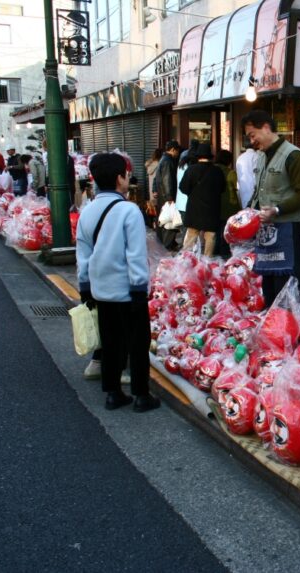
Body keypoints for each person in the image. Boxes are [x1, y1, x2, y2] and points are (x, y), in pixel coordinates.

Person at [76, 152, 159, 413]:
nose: (128, 179)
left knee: (110, 342)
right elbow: (136, 255)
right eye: (126, 175)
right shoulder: (129, 210)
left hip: (100, 291)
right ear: (119, 179)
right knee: (138, 343)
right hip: (128, 291)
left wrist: (84, 287)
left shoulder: (87, 212)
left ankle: (113, 394)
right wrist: (139, 289)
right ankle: (141, 395)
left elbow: (83, 255)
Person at [241, 110, 300, 305]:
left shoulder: (293, 155)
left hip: (288, 228)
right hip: (266, 230)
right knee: (269, 284)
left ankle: (289, 321)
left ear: (266, 128)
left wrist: (277, 210)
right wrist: (245, 215)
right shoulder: (261, 157)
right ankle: (271, 321)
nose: (252, 141)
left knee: (286, 284)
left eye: (253, 135)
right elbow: (258, 191)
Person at [180, 143, 223, 258]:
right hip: (212, 208)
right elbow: (222, 189)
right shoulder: (217, 171)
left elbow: (183, 187)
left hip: (194, 208)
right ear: (210, 156)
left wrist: (193, 193)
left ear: (198, 156)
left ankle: (186, 259)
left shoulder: (191, 169)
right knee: (210, 236)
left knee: (191, 235)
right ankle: (207, 260)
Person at [153, 140, 180, 250]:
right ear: (173, 150)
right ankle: (168, 244)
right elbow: (167, 180)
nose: (177, 153)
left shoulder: (163, 159)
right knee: (169, 220)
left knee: (164, 218)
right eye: (177, 151)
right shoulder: (168, 161)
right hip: (166, 196)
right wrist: (169, 197)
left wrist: (155, 189)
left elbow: (156, 178)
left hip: (162, 195)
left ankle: (167, 242)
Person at [214, 149, 240, 258]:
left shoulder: (211, 170)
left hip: (214, 204)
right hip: (229, 204)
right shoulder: (231, 173)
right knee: (226, 229)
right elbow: (237, 188)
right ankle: (224, 252)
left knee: (215, 229)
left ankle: (215, 250)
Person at [235, 142, 258, 208]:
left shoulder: (240, 157)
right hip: (253, 189)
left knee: (245, 209)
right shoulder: (256, 156)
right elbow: (257, 174)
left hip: (242, 187)